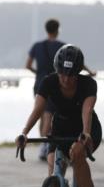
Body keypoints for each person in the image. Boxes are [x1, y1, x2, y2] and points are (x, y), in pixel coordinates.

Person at [16, 45, 102, 187]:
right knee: (53, 169)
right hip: (61, 129)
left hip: (86, 129)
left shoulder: (88, 84)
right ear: (57, 70)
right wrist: (24, 133)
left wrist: (85, 134)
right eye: (62, 73)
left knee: (77, 152)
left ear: (78, 73)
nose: (66, 79)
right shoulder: (48, 82)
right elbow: (38, 109)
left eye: (71, 75)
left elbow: (87, 111)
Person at [25, 18, 95, 160]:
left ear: (46, 29)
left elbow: (28, 65)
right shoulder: (63, 47)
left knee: (41, 112)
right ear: (57, 30)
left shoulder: (37, 46)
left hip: (39, 83)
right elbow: (77, 62)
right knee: (49, 114)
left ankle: (44, 143)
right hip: (58, 85)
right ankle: (46, 145)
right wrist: (90, 72)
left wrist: (38, 73)